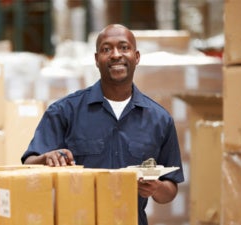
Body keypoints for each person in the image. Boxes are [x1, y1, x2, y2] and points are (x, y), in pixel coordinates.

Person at [21, 24, 184, 225]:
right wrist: (46, 158)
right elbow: (28, 167)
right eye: (107, 49)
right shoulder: (64, 111)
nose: (116, 55)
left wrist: (156, 188)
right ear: (97, 60)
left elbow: (171, 188)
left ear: (137, 56)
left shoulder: (159, 120)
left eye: (124, 47)